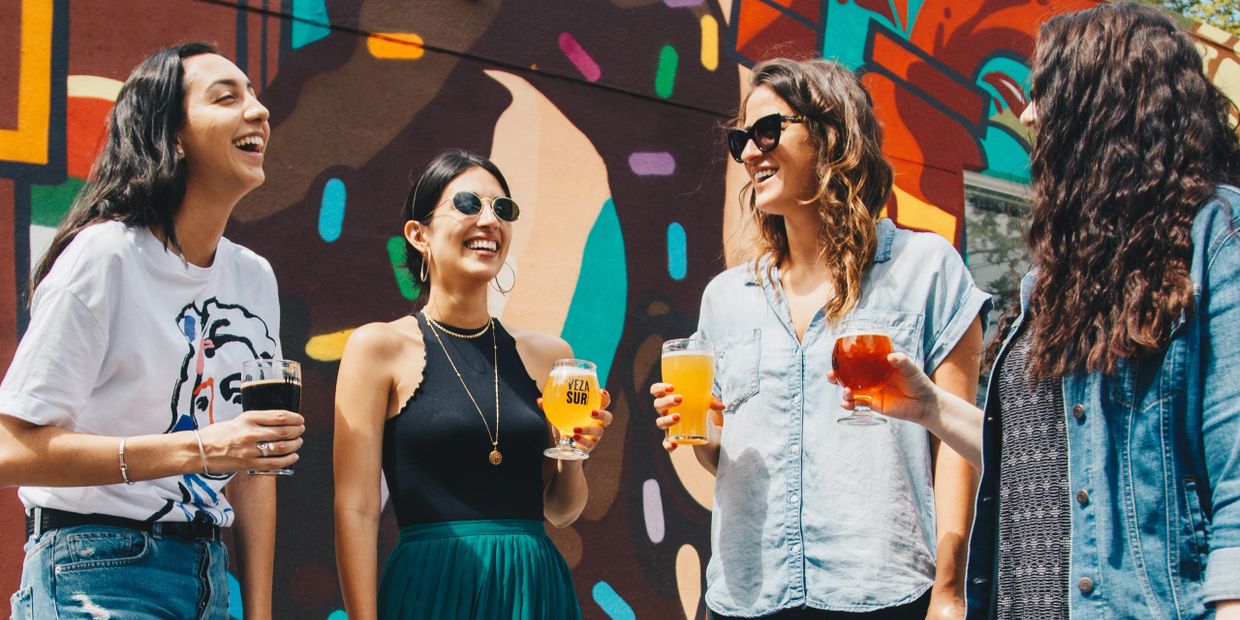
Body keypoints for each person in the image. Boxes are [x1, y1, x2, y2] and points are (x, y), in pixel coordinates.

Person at [831, 3, 1240, 618]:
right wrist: (931, 408)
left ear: (1105, 102)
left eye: (1044, 93)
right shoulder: (1052, 280)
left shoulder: (1214, 237)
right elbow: (1038, 462)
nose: (1027, 115)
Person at [651, 58, 990, 619]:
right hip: (746, 598)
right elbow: (732, 460)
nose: (751, 152)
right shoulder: (725, 297)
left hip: (883, 595)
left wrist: (951, 591)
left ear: (833, 133)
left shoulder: (924, 268)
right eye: (741, 140)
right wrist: (703, 435)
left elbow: (957, 445)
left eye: (768, 130)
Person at [0, 43, 304, 618]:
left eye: (256, 96)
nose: (259, 111)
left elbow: (254, 468)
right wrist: (198, 448)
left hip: (207, 576)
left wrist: (259, 611)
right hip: (95, 566)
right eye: (226, 97)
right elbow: (9, 448)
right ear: (174, 134)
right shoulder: (104, 258)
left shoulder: (253, 278)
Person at [333, 149, 611, 619]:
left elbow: (561, 511)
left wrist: (574, 455)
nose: (489, 220)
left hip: (533, 589)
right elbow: (356, 509)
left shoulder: (553, 357)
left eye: (502, 209)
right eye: (468, 204)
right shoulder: (377, 347)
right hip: (431, 588)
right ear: (419, 234)